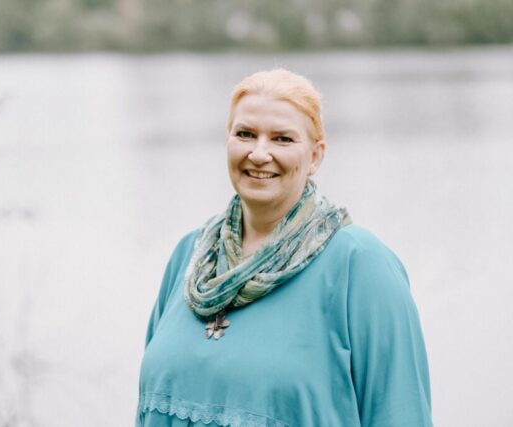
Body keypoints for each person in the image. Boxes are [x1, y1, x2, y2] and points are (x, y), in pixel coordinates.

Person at [136, 69, 433, 426]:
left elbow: (401, 413)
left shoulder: (360, 265)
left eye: (282, 139)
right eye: (245, 134)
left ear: (315, 156)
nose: (259, 153)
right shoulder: (190, 256)